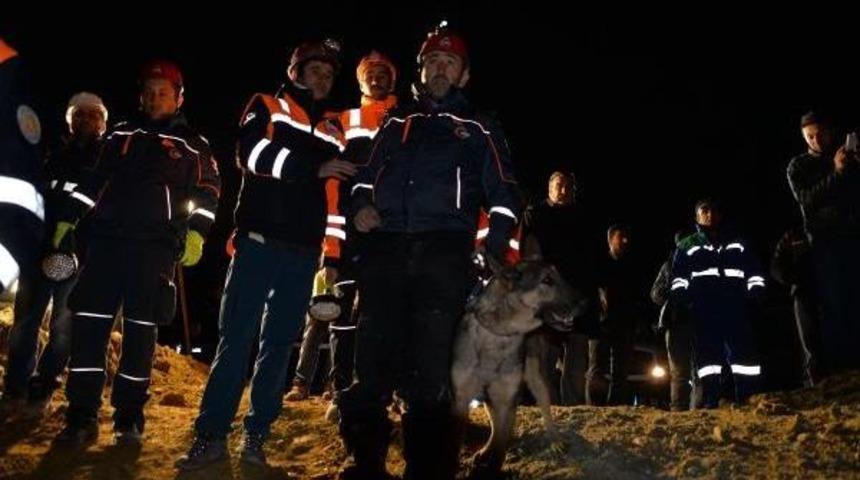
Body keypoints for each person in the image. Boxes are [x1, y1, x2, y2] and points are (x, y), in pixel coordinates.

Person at [337, 24, 520, 480]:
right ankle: (366, 464)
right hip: (387, 253)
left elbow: (505, 196)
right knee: (372, 364)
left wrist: (492, 253)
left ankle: (429, 469)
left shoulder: (479, 126)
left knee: (432, 373)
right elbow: (362, 177)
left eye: (450, 62)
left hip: (445, 255)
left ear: (463, 75)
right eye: (432, 61)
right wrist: (359, 205)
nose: (440, 69)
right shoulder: (397, 122)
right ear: (421, 70)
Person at [178, 39, 353, 470]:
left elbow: (334, 202)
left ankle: (256, 438)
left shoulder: (335, 129)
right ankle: (211, 436)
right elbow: (250, 154)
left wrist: (329, 257)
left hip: (302, 255)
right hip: (257, 245)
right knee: (235, 342)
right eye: (315, 70)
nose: (323, 79)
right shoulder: (268, 105)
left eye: (329, 75)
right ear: (295, 71)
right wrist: (310, 168)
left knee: (277, 348)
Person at [53, 60, 220, 445]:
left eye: (163, 91)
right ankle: (81, 416)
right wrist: (70, 218)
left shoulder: (193, 143)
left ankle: (129, 418)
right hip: (105, 244)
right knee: (90, 330)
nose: (154, 97)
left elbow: (209, 192)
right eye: (149, 91)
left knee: (141, 336)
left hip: (154, 249)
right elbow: (93, 180)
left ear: (178, 98)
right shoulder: (120, 133)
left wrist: (196, 234)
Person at [4, 92, 108, 412]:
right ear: (70, 120)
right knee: (26, 322)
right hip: (38, 250)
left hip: (78, 256)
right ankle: (15, 389)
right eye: (79, 114)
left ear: (102, 124)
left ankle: (44, 385)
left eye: (92, 115)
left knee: (64, 326)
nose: (85, 120)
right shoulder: (52, 154)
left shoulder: (108, 159)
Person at [670, 199, 765, 408]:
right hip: (704, 308)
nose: (709, 214)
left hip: (735, 305)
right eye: (704, 211)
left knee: (743, 356)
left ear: (719, 215)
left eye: (713, 210)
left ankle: (748, 397)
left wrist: (756, 289)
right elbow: (678, 276)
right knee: (708, 359)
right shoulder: (687, 244)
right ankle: (711, 401)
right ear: (697, 217)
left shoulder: (738, 241)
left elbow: (754, 270)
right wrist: (681, 299)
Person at [786, 111, 860, 375]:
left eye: (820, 134)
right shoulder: (798, 166)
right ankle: (838, 371)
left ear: (830, 132)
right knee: (833, 304)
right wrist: (837, 173)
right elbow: (806, 199)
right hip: (823, 244)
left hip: (852, 238)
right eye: (810, 136)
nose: (816, 140)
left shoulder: (846, 157)